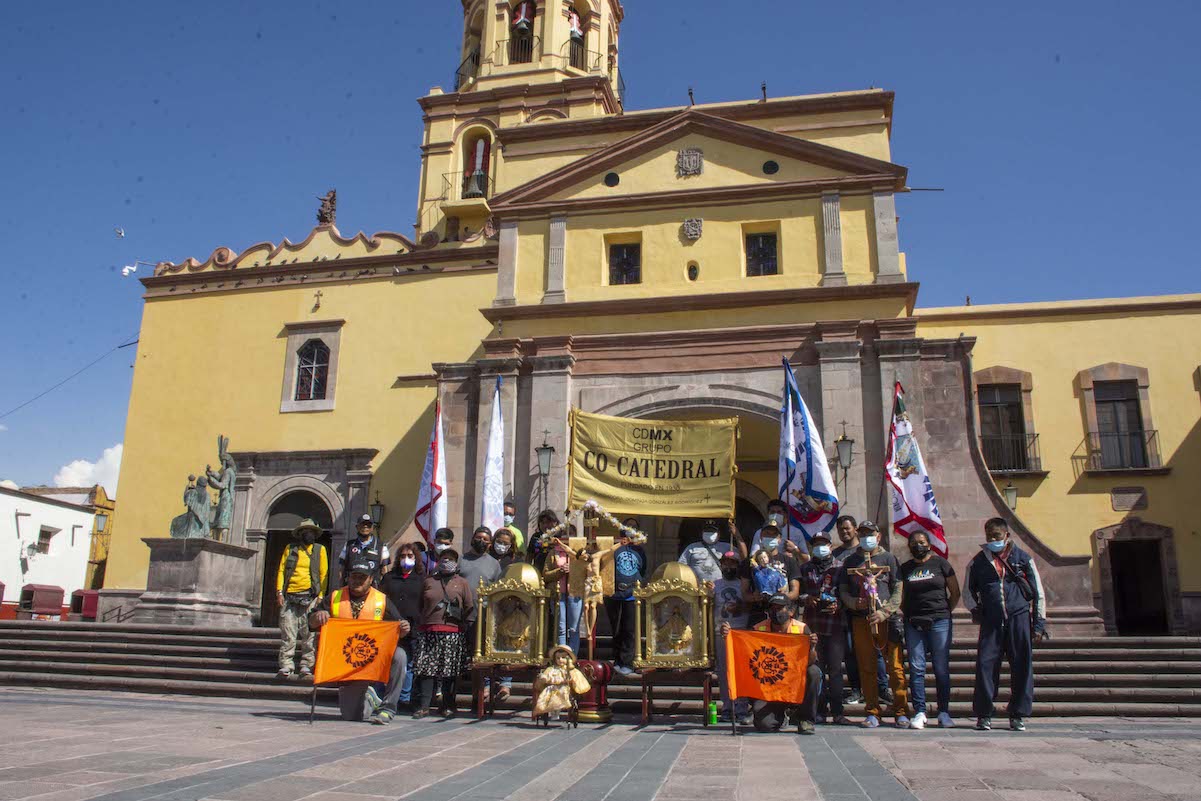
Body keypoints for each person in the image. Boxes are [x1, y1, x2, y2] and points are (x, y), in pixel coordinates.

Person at [965, 518, 1047, 732]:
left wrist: (1038, 625)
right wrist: (977, 611)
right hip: (991, 621)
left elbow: (1038, 592)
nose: (993, 540)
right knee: (985, 666)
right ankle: (984, 714)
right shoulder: (978, 562)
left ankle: (1018, 714)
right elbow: (968, 591)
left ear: (1007, 535)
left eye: (997, 536)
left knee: (1021, 666)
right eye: (989, 536)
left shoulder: (1023, 558)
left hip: (1019, 618)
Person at [308, 558, 411, 724]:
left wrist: (405, 628)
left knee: (400, 656)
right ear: (348, 577)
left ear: (371, 579)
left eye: (362, 578)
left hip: (374, 656)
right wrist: (318, 617)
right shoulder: (335, 597)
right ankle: (370, 697)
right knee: (352, 716)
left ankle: (388, 708)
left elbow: (399, 629)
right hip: (349, 662)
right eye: (354, 577)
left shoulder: (382, 600)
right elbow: (311, 623)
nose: (357, 581)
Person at [839, 520, 908, 728]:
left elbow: (898, 588)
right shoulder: (851, 561)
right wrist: (853, 603)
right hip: (862, 619)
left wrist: (885, 611)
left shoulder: (889, 559)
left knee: (895, 668)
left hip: (887, 619)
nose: (867, 537)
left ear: (878, 536)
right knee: (866, 667)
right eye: (863, 534)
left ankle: (901, 711)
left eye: (871, 533)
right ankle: (872, 712)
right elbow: (843, 590)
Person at [720, 593, 821, 734]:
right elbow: (745, 654)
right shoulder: (758, 629)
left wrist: (812, 647)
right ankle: (780, 715)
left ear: (791, 611)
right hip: (769, 688)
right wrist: (729, 636)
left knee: (814, 672)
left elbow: (811, 661)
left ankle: (806, 720)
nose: (776, 612)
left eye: (780, 608)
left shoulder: (802, 629)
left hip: (793, 684)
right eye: (773, 608)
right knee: (765, 726)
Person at [899, 530, 960, 729]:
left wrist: (944, 611)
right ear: (909, 547)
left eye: (922, 542)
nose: (918, 545)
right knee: (916, 668)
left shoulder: (941, 564)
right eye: (914, 543)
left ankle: (944, 711)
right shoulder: (905, 568)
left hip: (939, 621)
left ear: (929, 544)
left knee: (941, 667)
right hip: (914, 622)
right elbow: (899, 596)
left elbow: (955, 591)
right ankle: (919, 712)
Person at [832, 515, 888, 707]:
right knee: (851, 652)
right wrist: (853, 602)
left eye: (847, 528)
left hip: (876, 611)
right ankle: (857, 689)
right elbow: (841, 586)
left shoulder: (879, 554)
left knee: (878, 651)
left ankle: (881, 688)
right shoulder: (840, 556)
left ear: (855, 529)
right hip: (850, 611)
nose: (844, 532)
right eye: (840, 529)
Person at [412, 547, 473, 718]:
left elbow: (469, 606)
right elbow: (420, 604)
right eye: (444, 559)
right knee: (427, 670)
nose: (447, 562)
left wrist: (459, 620)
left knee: (449, 671)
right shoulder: (429, 581)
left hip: (452, 631)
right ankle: (424, 705)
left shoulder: (462, 582)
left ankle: (448, 705)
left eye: (451, 559)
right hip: (429, 629)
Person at [799, 531, 851, 725]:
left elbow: (846, 593)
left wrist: (838, 603)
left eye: (824, 543)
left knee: (836, 670)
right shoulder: (805, 568)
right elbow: (799, 593)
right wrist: (807, 599)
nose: (820, 547)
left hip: (835, 625)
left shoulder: (840, 568)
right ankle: (818, 710)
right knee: (816, 669)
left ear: (830, 546)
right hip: (813, 626)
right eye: (816, 543)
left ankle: (838, 712)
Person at [275, 519, 328, 678]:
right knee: (288, 633)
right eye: (306, 531)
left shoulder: (320, 550)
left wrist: (320, 596)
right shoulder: (290, 549)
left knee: (309, 634)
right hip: (290, 596)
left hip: (310, 597)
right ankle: (286, 664)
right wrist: (279, 592)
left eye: (311, 531)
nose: (309, 534)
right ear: (301, 533)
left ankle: (306, 664)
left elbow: (324, 573)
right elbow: (281, 570)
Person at [379, 541, 424, 708]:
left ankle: (404, 697)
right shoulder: (389, 577)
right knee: (388, 661)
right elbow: (382, 599)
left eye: (410, 556)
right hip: (391, 626)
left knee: (409, 663)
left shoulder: (421, 578)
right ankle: (383, 695)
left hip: (413, 627)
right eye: (403, 556)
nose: (406, 559)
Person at [712, 550, 751, 724]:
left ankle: (741, 707)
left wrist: (741, 606)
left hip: (741, 630)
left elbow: (751, 604)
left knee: (741, 670)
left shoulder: (744, 583)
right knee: (723, 671)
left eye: (732, 563)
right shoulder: (715, 584)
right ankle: (727, 706)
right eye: (725, 563)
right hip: (721, 632)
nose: (729, 567)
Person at [606, 518, 647, 677]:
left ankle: (627, 661)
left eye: (634, 527)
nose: (631, 530)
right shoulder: (614, 547)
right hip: (614, 594)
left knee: (629, 629)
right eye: (628, 527)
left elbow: (643, 570)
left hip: (631, 594)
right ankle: (617, 660)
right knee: (616, 629)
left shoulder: (640, 550)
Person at [747, 522, 803, 625]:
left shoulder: (789, 561)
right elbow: (744, 594)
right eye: (767, 534)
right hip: (760, 615)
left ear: (779, 539)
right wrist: (755, 597)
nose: (770, 537)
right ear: (761, 537)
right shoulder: (751, 562)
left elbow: (795, 593)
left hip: (783, 615)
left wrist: (780, 597)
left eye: (773, 535)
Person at [543, 527, 583, 655]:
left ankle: (572, 656)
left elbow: (588, 571)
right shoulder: (553, 553)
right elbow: (545, 575)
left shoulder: (579, 552)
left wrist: (575, 569)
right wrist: (560, 571)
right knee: (561, 627)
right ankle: (561, 656)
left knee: (574, 628)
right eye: (564, 534)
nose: (567, 537)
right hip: (559, 594)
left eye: (570, 534)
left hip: (575, 592)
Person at [338, 514, 390, 585]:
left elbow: (384, 571)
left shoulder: (381, 546)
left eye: (368, 525)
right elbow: (342, 570)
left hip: (373, 589)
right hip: (352, 588)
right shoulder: (348, 545)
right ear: (357, 527)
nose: (365, 527)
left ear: (373, 528)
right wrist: (341, 586)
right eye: (362, 524)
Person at [678, 519, 733, 584]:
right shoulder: (692, 547)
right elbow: (681, 566)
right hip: (697, 587)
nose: (709, 533)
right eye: (707, 531)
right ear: (702, 533)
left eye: (712, 531)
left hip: (720, 587)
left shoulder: (728, 547)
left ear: (719, 533)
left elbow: (740, 562)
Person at [458, 526, 502, 591]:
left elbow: (498, 587)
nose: (481, 541)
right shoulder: (460, 559)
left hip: (485, 600)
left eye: (485, 539)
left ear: (490, 544)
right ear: (472, 539)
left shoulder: (495, 564)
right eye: (478, 538)